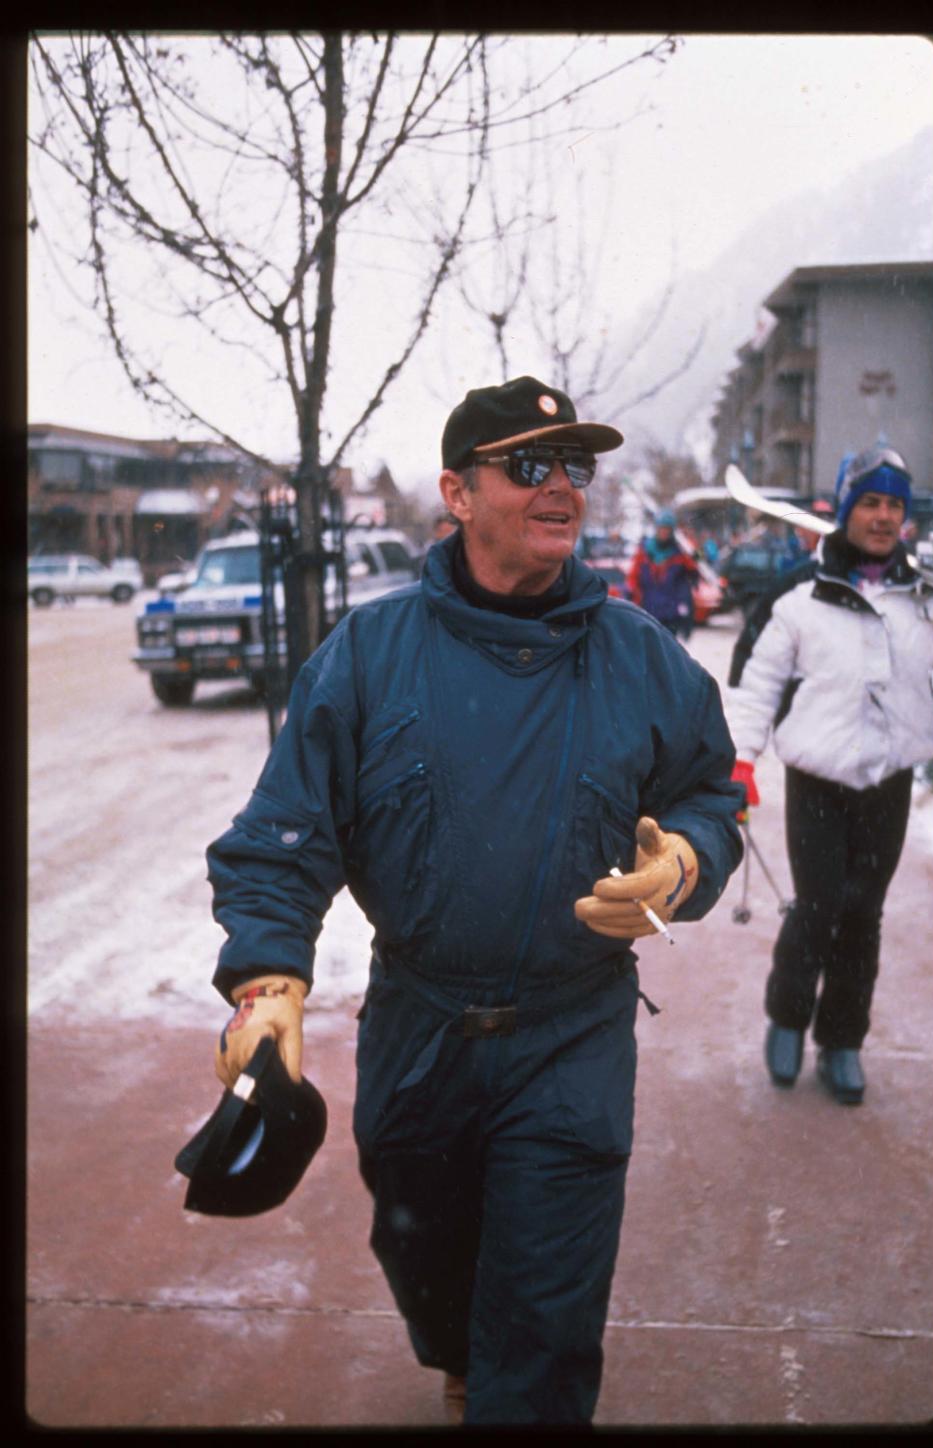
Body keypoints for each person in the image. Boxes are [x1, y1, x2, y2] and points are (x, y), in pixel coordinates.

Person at [205, 375, 744, 1426]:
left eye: (575, 466)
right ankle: (459, 1345)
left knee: (542, 1315)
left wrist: (684, 858)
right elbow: (283, 834)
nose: (563, 489)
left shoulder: (641, 657)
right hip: (421, 1027)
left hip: (572, 1030)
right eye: (530, 465)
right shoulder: (368, 656)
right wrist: (269, 981)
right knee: (425, 1246)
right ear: (456, 491)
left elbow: (710, 790)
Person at [725, 445, 933, 1106]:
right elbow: (754, 685)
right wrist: (739, 762)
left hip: (888, 782)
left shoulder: (924, 597)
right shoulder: (797, 594)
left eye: (894, 505)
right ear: (846, 509)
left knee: (862, 915)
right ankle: (788, 1020)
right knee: (817, 909)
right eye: (870, 503)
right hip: (817, 779)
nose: (883, 517)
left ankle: (842, 1041)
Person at [626, 508, 700, 640]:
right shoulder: (644, 551)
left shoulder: (680, 553)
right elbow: (633, 577)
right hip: (648, 611)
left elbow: (695, 566)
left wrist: (695, 557)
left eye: (667, 529)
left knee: (668, 653)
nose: (664, 533)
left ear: (672, 532)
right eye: (661, 528)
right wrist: (632, 593)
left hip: (670, 613)